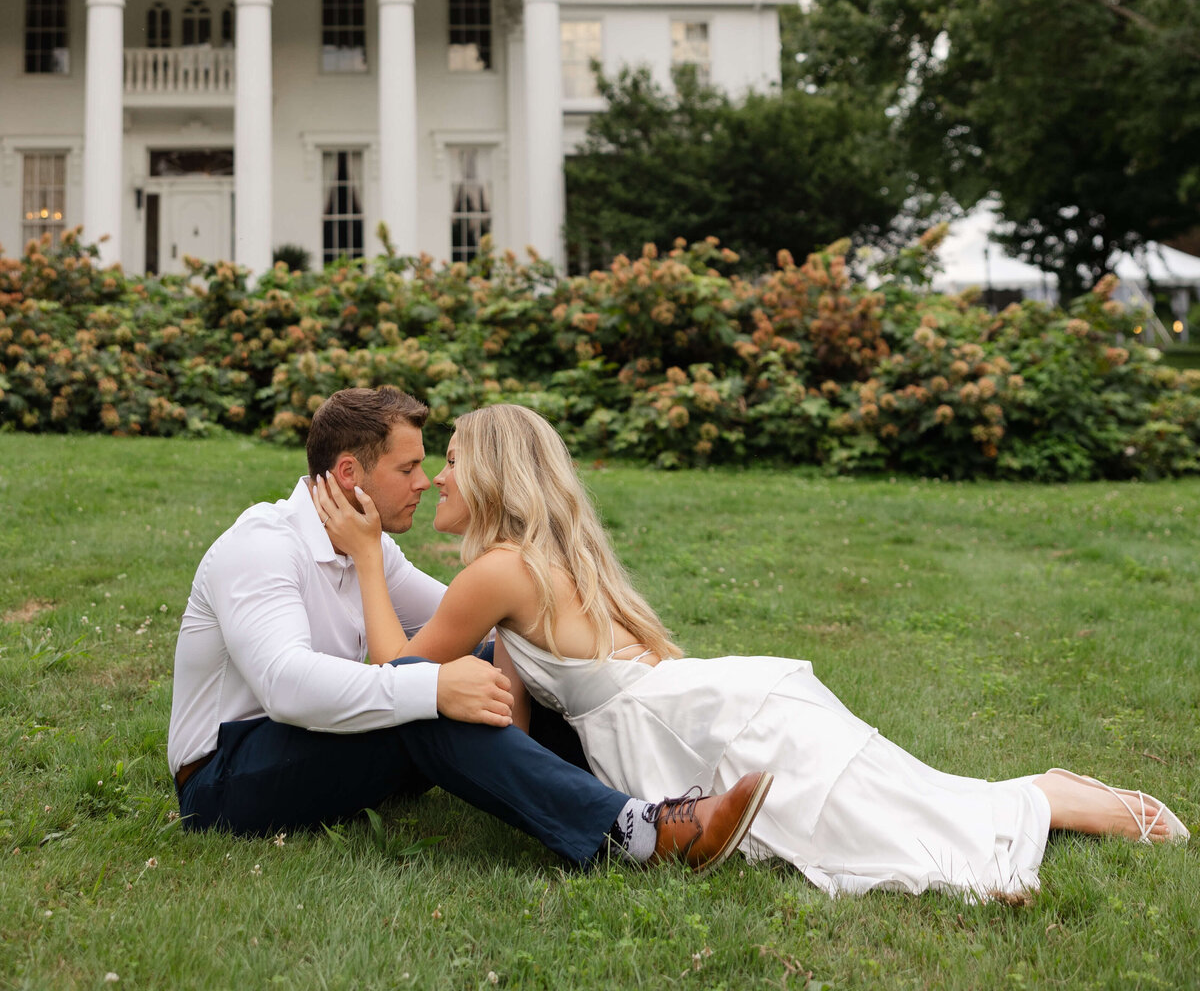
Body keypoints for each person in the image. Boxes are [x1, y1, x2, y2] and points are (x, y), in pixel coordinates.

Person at [313, 402, 1189, 901]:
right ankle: (1037, 793)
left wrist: (363, 563)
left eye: (454, 462)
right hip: (691, 699)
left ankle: (1044, 803)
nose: (437, 480)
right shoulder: (531, 562)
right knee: (865, 804)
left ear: (496, 478)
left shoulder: (494, 573)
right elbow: (523, 698)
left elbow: (401, 675)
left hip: (672, 726)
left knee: (846, 830)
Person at [167, 385, 768, 871]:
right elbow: (285, 686)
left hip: (323, 747)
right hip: (227, 775)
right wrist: (431, 689)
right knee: (427, 697)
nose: (425, 482)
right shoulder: (261, 546)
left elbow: (468, 620)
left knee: (480, 662)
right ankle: (638, 834)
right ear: (350, 473)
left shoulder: (366, 543)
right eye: (408, 468)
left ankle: (655, 788)